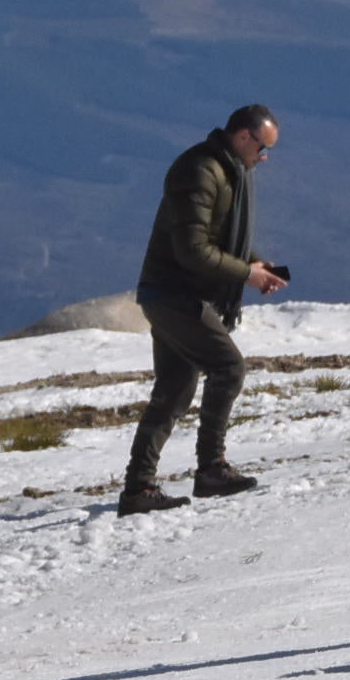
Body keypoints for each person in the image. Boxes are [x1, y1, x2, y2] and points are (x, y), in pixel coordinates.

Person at [121, 105, 290, 515]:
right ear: (244, 138)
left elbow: (217, 238)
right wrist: (244, 273)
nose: (264, 158)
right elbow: (193, 250)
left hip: (174, 294)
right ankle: (211, 469)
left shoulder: (227, 171)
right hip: (174, 294)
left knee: (175, 388)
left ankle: (138, 489)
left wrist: (253, 264)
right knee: (228, 367)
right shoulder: (199, 171)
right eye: (263, 147)